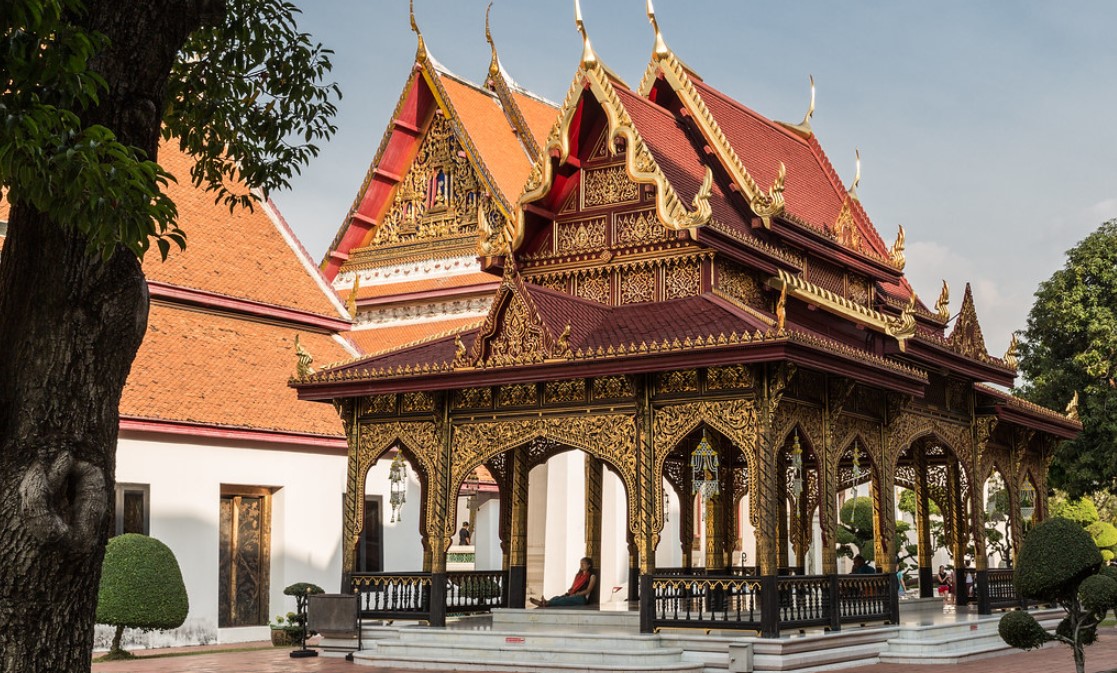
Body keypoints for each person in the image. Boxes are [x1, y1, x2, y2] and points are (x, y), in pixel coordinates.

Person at [530, 557, 597, 607]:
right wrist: (570, 591)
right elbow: (573, 587)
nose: (581, 565)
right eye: (580, 563)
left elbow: (588, 590)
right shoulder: (578, 575)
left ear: (589, 565)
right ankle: (545, 602)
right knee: (557, 598)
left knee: (563, 600)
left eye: (583, 564)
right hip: (573, 595)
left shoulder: (592, 576)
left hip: (582, 598)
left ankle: (546, 603)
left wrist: (577, 594)